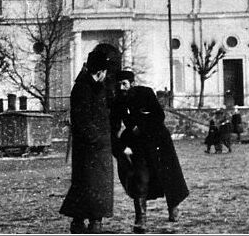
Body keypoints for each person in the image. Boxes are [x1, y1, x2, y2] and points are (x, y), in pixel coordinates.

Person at [111, 70, 189, 234]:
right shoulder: (118, 101)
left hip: (158, 141)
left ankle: (173, 207)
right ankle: (141, 219)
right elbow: (115, 126)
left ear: (132, 83)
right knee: (140, 178)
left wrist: (141, 126)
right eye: (118, 85)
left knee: (167, 176)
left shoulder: (145, 93)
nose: (121, 87)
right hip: (137, 145)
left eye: (124, 83)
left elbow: (158, 116)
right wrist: (120, 146)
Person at [60, 51, 113, 234]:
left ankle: (84, 220)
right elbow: (82, 120)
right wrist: (97, 139)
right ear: (100, 71)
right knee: (91, 184)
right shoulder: (83, 88)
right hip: (91, 147)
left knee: (89, 184)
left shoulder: (94, 86)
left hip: (95, 147)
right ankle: (92, 221)